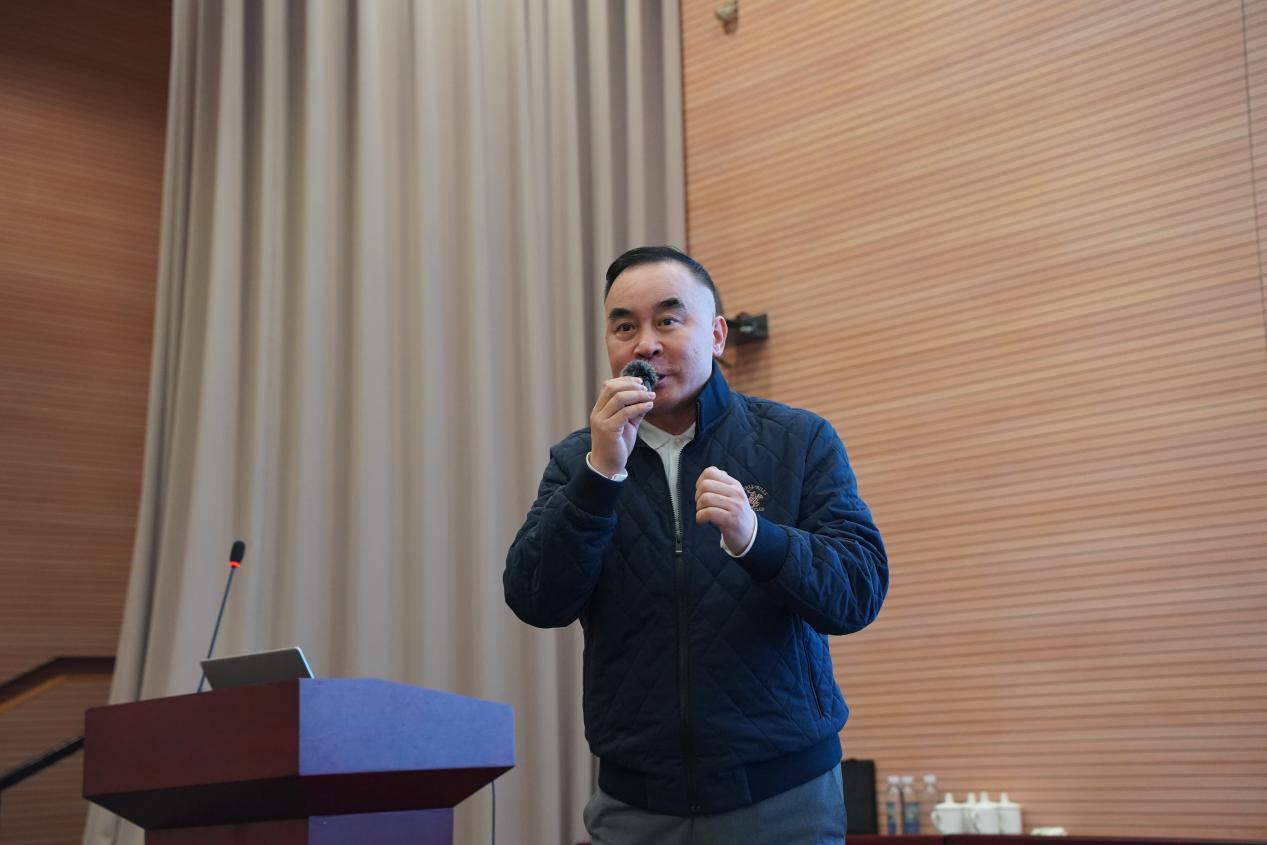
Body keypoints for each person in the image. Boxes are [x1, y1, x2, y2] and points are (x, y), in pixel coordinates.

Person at [504, 246, 888, 844]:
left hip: (783, 798)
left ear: (716, 335)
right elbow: (536, 598)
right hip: (635, 803)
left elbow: (858, 591)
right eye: (624, 327)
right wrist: (600, 476)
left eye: (668, 320)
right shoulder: (579, 459)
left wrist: (757, 539)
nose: (645, 345)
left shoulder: (799, 440)